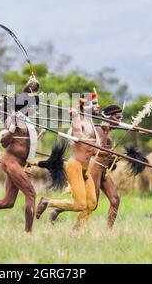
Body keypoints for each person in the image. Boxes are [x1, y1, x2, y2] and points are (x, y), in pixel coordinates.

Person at [0, 76, 66, 232]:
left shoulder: (27, 120)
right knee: (31, 194)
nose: (35, 109)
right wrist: (11, 129)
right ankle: (28, 233)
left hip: (19, 165)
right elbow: (4, 142)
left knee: (7, 202)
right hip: (11, 163)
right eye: (33, 106)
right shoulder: (13, 119)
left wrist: (32, 86)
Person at [49, 104, 123, 229]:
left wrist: (115, 159)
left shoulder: (107, 132)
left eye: (121, 118)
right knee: (91, 204)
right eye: (117, 117)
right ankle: (73, 223)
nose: (120, 121)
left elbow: (106, 155)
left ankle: (109, 230)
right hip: (94, 169)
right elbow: (96, 151)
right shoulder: (99, 130)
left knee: (115, 200)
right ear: (108, 118)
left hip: (103, 171)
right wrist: (105, 133)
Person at [36, 91, 100, 230]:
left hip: (86, 169)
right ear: (85, 105)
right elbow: (77, 136)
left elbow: (95, 149)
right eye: (94, 104)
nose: (98, 106)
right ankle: (48, 202)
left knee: (91, 204)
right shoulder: (78, 121)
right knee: (80, 205)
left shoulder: (91, 123)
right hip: (74, 166)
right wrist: (75, 117)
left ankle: (76, 231)